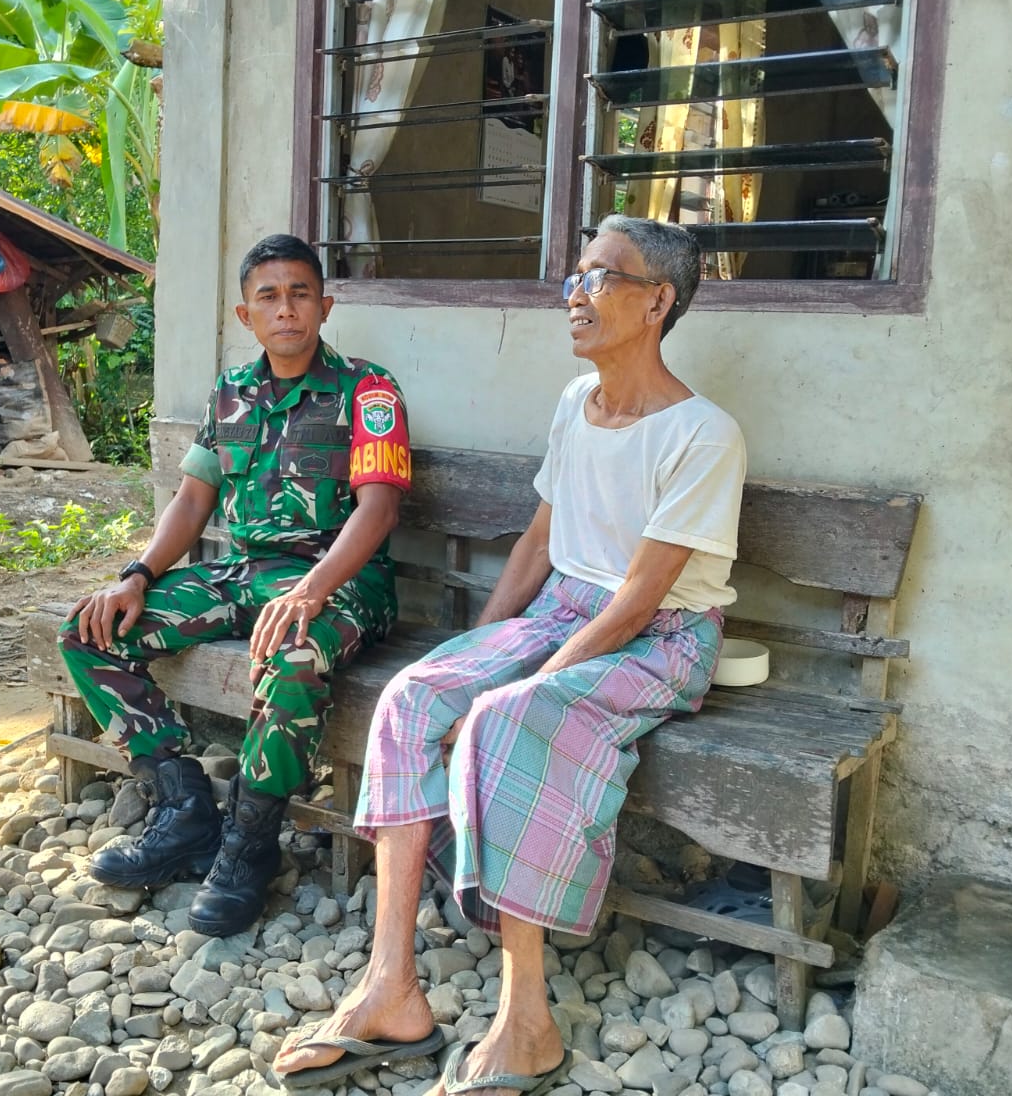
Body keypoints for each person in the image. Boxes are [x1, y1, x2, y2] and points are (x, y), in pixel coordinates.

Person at [273, 215, 746, 1094]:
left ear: (657, 303)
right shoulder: (576, 404)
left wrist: (524, 681)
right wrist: (478, 650)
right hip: (564, 608)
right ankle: (390, 987)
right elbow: (538, 542)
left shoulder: (703, 434)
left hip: (661, 638)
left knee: (505, 718)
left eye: (601, 277)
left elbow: (640, 598)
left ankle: (527, 1020)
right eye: (576, 275)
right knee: (415, 696)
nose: (576, 294)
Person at [59, 233, 412, 939]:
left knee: (294, 657)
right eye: (269, 297)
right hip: (243, 575)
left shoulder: (367, 390)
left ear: (325, 306)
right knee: (90, 629)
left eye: (300, 293)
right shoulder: (230, 393)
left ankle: (250, 843)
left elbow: (378, 509)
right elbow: (193, 500)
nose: (286, 309)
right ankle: (183, 808)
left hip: (341, 582)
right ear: (246, 315)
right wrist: (136, 576)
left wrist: (312, 589)